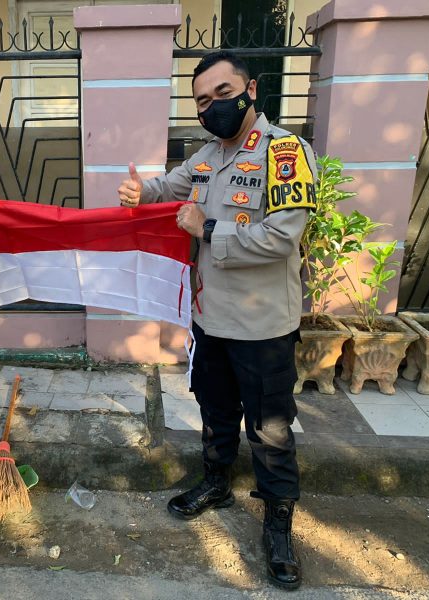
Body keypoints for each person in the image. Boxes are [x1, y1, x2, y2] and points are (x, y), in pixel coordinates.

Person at [117, 50, 316, 590]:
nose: (212, 107)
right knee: (215, 410)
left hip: (262, 327)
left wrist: (207, 229)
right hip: (210, 319)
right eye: (202, 101)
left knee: (271, 430)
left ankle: (278, 526)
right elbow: (170, 188)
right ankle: (217, 482)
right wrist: (141, 193)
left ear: (250, 90)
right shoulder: (207, 155)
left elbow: (281, 238)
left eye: (222, 94)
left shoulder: (284, 153)